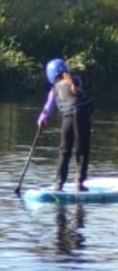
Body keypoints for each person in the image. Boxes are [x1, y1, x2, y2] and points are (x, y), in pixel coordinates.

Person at [37, 58, 93, 192]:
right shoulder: (77, 80)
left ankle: (59, 184)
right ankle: (79, 183)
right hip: (82, 114)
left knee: (64, 151)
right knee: (82, 149)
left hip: (68, 116)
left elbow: (48, 107)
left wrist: (42, 119)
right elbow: (76, 89)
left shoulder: (54, 90)